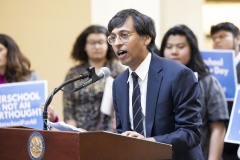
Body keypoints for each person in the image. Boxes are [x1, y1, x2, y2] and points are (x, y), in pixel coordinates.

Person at [107, 9, 203, 159]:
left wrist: (149, 143)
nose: (117, 43)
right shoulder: (119, 83)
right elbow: (122, 133)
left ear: (146, 38)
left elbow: (190, 133)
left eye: (124, 35)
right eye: (113, 38)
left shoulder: (178, 74)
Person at [159, 24, 229, 160]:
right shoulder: (157, 82)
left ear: (192, 49)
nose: (174, 52)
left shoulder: (208, 82)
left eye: (180, 47)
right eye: (169, 47)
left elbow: (218, 128)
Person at [63, 25, 124, 131]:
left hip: (111, 134)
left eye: (100, 42)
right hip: (81, 133)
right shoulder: (74, 73)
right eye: (92, 43)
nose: (96, 46)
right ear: (84, 46)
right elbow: (69, 109)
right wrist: (74, 132)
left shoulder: (118, 71)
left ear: (108, 45)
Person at [0, 33, 58, 123]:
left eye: (0, 49)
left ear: (10, 52)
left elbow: (44, 115)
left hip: (26, 135)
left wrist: (52, 117)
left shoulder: (31, 77)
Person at [210, 22, 240, 160]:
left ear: (237, 39)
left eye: (222, 36)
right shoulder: (208, 70)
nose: (217, 41)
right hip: (214, 136)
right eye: (214, 38)